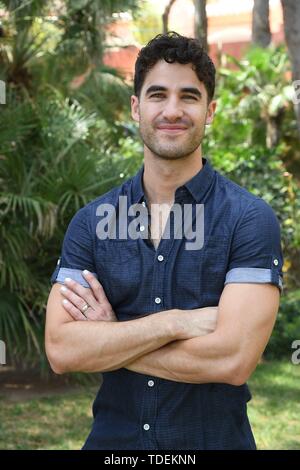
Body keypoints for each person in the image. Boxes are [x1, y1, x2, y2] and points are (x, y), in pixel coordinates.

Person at [45, 32, 283, 450]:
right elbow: (63, 350)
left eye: (188, 97)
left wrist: (111, 337)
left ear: (210, 111)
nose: (172, 111)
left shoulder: (248, 219)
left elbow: (232, 360)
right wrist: (173, 323)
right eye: (158, 95)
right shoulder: (91, 223)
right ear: (137, 107)